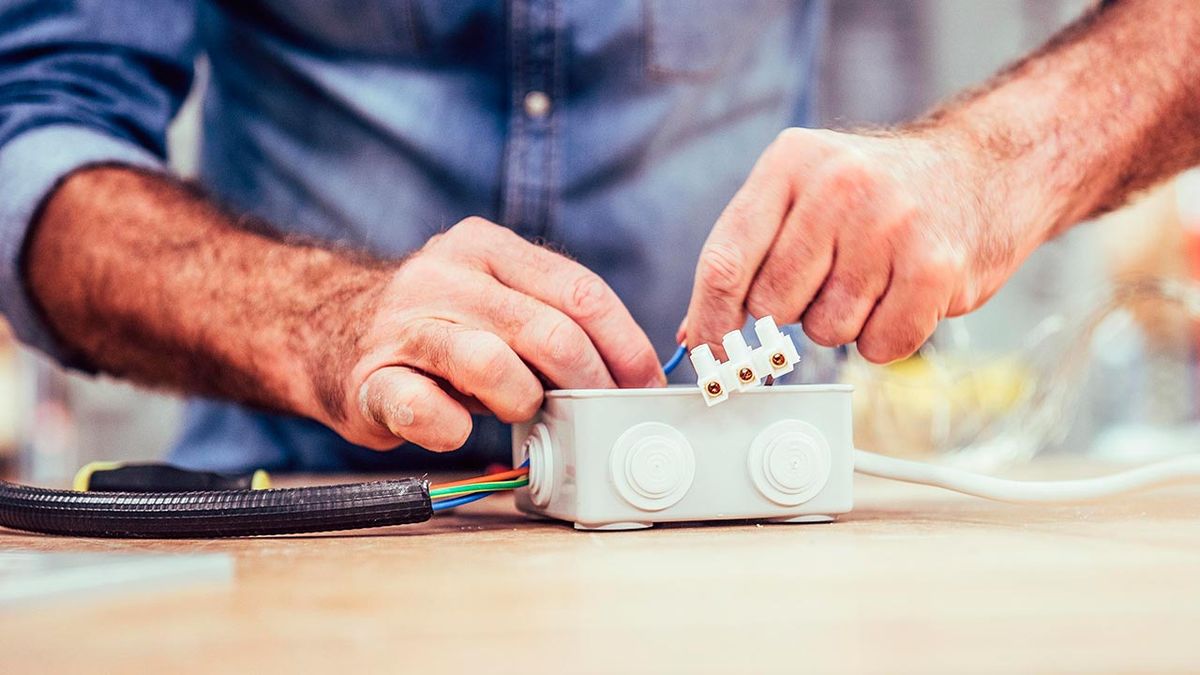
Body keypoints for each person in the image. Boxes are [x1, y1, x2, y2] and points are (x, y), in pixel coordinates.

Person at [1, 0, 1197, 472]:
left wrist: (990, 166)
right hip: (293, 524)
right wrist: (312, 319)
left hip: (747, 549)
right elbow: (31, 127)